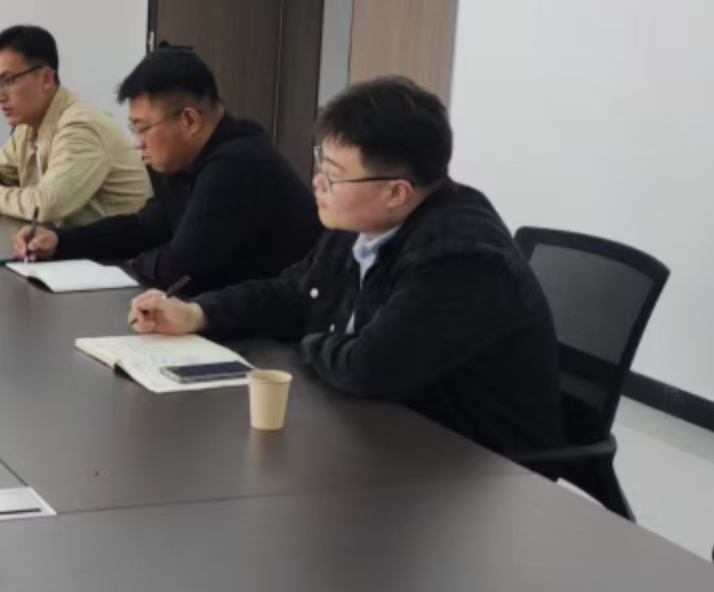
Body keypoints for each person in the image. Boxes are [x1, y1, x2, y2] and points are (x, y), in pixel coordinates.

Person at [127, 76, 562, 458]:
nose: (318, 182)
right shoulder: (362, 220)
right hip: (379, 428)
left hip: (473, 463)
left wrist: (305, 346)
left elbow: (370, 366)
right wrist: (197, 313)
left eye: (334, 175)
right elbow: (293, 292)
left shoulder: (460, 257)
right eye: (322, 164)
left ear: (396, 192)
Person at [12, 49, 319, 293]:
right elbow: (146, 228)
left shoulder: (238, 166)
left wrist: (132, 264)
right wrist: (61, 242)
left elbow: (179, 269)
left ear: (190, 121)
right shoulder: (180, 158)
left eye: (143, 128)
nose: (137, 142)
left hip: (282, 336)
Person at [0, 26, 150, 227]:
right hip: (67, 245)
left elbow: (46, 205)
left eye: (8, 81)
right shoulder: (28, 124)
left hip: (117, 254)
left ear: (46, 78)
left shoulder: (81, 128)